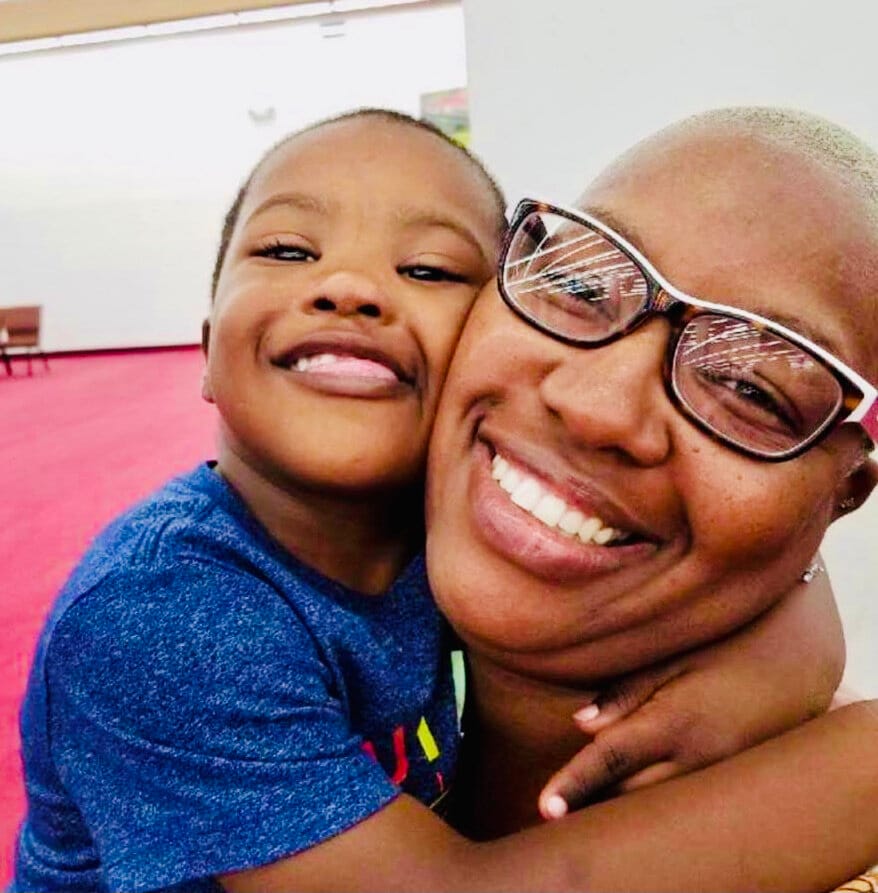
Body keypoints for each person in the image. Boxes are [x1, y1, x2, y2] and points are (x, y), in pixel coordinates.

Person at [8, 107, 868, 893]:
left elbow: (798, 568)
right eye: (579, 287)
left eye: (754, 387)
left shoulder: (409, 524)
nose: (349, 289)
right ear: (203, 350)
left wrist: (787, 656)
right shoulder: (164, 614)